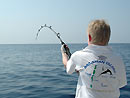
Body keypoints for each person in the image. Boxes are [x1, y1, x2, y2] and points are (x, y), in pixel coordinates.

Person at [61, 19, 127, 98]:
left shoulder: (78, 56)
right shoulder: (118, 59)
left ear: (89, 37)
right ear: (108, 38)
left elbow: (68, 69)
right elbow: (121, 84)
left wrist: (64, 53)